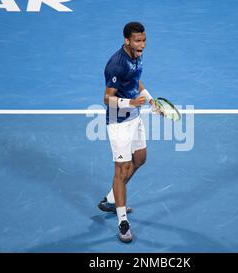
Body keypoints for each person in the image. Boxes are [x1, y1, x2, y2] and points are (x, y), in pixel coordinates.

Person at [98, 22, 156, 243]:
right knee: (121, 171)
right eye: (137, 41)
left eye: (144, 40)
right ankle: (122, 222)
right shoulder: (115, 65)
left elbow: (136, 79)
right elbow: (106, 99)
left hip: (135, 116)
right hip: (119, 123)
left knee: (140, 159)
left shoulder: (137, 55)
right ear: (127, 41)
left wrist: (151, 101)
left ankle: (112, 197)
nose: (142, 45)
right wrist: (131, 102)